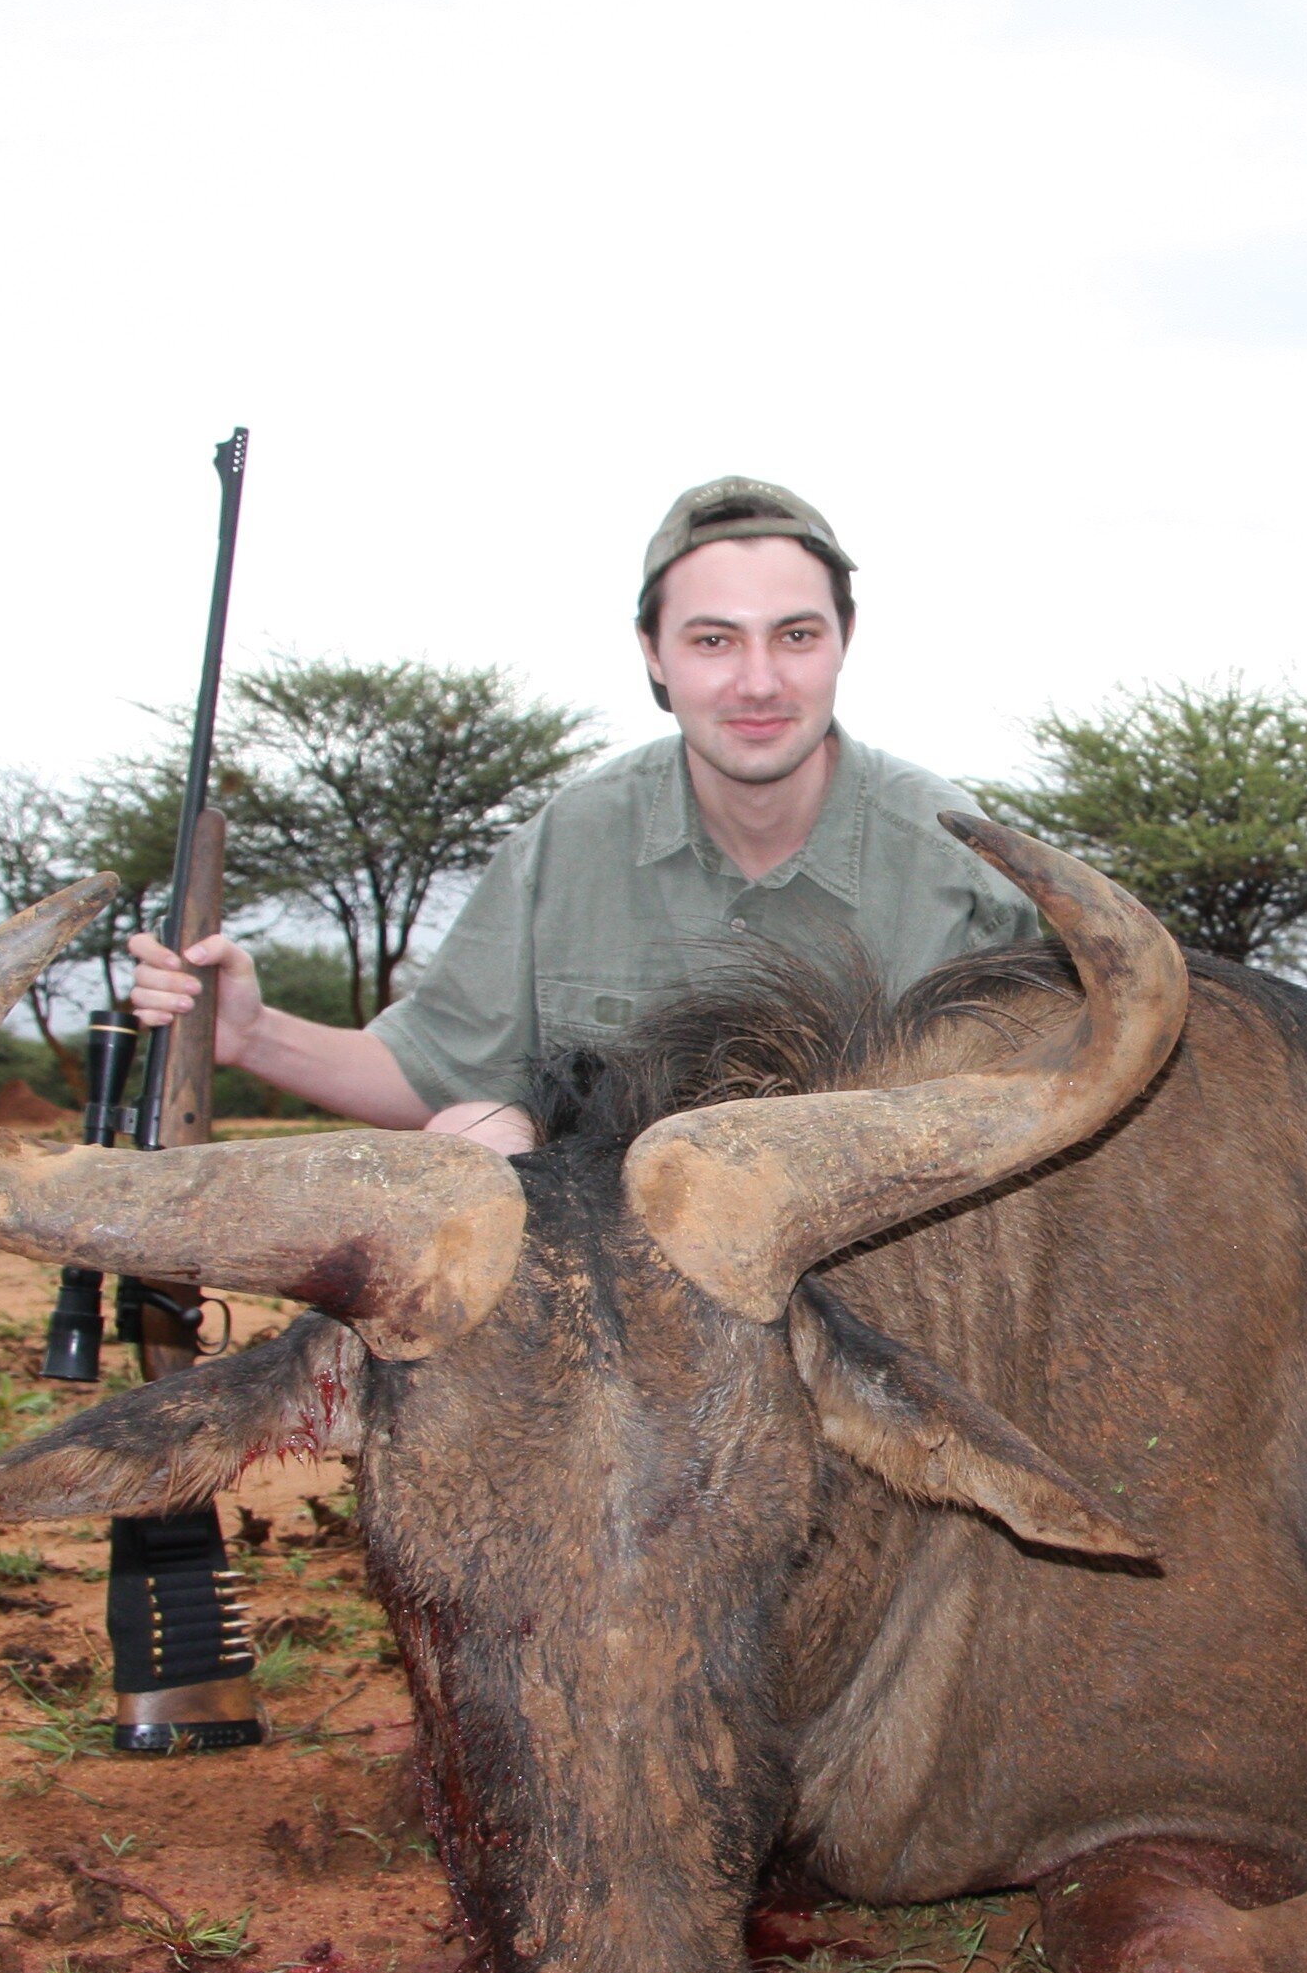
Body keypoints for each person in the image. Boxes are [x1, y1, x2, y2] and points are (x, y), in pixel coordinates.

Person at [98, 477, 1042, 1750]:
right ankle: (526, 1639)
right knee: (474, 1139)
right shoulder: (574, 836)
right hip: (619, 1352)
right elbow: (430, 1074)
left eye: (794, 636)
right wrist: (251, 1031)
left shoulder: (963, 856)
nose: (756, 679)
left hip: (884, 1320)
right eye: (713, 640)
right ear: (656, 659)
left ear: (842, 647)